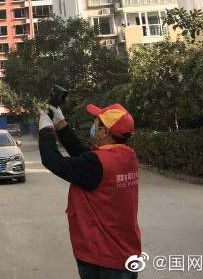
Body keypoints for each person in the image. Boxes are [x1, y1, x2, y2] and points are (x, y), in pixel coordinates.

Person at [39, 102, 142, 279]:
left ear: (104, 132)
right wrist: (62, 125)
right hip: (125, 252)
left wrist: (46, 130)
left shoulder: (96, 164)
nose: (93, 124)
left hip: (102, 257)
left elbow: (54, 162)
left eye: (96, 122)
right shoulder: (127, 156)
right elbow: (84, 154)